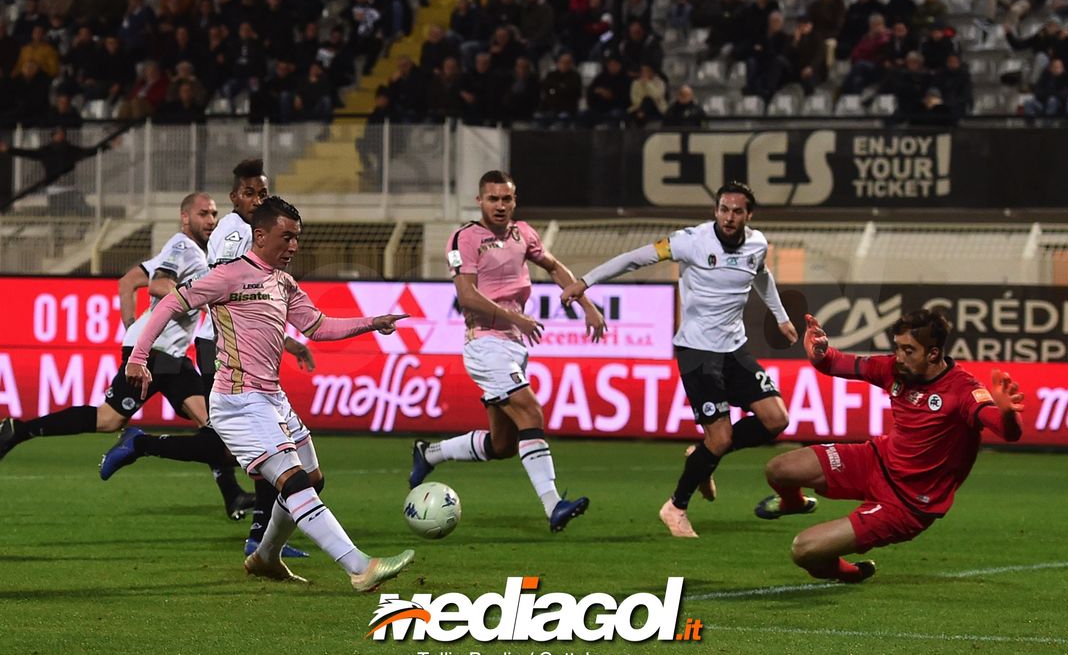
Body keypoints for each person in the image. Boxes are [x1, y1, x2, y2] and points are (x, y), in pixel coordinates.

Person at [123, 195, 414, 589]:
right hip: (238, 401)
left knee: (311, 479)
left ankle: (265, 557)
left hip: (273, 398)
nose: (293, 246)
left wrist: (373, 322)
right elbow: (169, 304)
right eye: (286, 237)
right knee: (292, 481)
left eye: (297, 238)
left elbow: (317, 326)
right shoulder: (227, 275)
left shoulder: (283, 283)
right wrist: (138, 357)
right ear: (260, 236)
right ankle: (360, 567)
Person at [101, 158, 314, 558]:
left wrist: (285, 340)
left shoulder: (254, 232)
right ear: (236, 196)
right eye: (250, 192)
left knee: (245, 445)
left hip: (234, 343)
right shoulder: (236, 233)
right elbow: (232, 296)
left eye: (262, 192)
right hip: (221, 344)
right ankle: (143, 445)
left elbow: (255, 301)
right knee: (262, 443)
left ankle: (258, 534)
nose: (257, 199)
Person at [561, 182, 797, 539]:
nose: (728, 217)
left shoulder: (757, 244)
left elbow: (762, 276)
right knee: (719, 438)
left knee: (775, 419)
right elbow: (635, 257)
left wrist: (780, 317)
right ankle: (676, 507)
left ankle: (701, 456)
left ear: (748, 215)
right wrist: (586, 281)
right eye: (723, 209)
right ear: (715, 210)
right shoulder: (691, 241)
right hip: (698, 353)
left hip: (734, 350)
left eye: (736, 211)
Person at [0, 192, 255, 516]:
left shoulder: (187, 250)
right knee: (110, 419)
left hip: (169, 355)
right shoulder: (182, 248)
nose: (211, 220)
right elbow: (158, 284)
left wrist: (134, 327)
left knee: (213, 426)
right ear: (185, 217)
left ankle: (231, 493)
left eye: (213, 214)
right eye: (203, 213)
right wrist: (202, 297)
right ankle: (22, 430)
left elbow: (128, 281)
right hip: (156, 353)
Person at [754, 310, 1024, 583]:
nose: (900, 356)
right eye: (897, 347)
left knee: (804, 549)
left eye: (908, 350)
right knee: (778, 469)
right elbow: (837, 363)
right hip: (875, 460)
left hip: (906, 503)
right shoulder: (895, 369)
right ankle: (794, 503)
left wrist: (1008, 414)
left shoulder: (963, 390)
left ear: (932, 354)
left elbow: (1006, 431)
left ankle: (849, 572)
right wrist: (820, 353)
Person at [408, 170, 605, 533]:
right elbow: (466, 296)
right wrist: (514, 317)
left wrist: (588, 305)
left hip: (514, 346)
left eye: (507, 199)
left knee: (503, 445)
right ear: (479, 200)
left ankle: (428, 453)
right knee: (530, 411)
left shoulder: (523, 233)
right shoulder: (464, 238)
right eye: (493, 199)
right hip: (485, 343)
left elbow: (553, 265)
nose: (500, 206)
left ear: (515, 201)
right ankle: (553, 506)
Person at [0, 128, 108, 215]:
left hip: (70, 188)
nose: (61, 136)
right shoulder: (46, 151)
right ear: (53, 136)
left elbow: (90, 151)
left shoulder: (71, 150)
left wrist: (108, 145)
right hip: (53, 189)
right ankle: (57, 234)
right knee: (58, 214)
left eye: (62, 134)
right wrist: (9, 149)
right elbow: (27, 153)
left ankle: (83, 231)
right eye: (58, 134)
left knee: (84, 211)